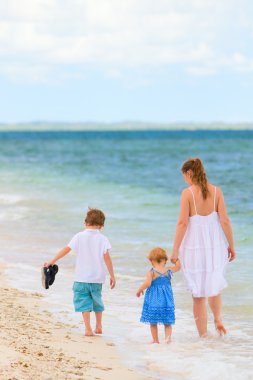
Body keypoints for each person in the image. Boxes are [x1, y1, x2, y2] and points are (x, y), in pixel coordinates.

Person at [171, 158, 236, 337]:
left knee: (198, 293)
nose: (184, 179)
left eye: (184, 175)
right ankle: (217, 319)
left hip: (194, 246)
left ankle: (203, 337)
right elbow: (225, 220)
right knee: (214, 285)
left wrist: (175, 249)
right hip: (216, 245)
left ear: (189, 173)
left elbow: (182, 223)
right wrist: (231, 245)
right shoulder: (217, 192)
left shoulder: (188, 194)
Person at [44, 208, 116, 336]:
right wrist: (112, 275)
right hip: (97, 279)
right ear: (101, 226)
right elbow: (107, 258)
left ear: (85, 222)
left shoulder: (79, 236)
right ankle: (99, 326)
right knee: (97, 301)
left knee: (84, 303)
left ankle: (88, 329)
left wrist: (52, 261)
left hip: (81, 278)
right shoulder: (103, 239)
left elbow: (66, 250)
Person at [136, 247, 181, 344]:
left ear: (151, 261)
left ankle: (155, 340)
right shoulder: (168, 270)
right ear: (165, 260)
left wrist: (140, 289)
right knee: (167, 322)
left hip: (154, 300)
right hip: (166, 301)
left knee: (153, 322)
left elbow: (147, 283)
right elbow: (178, 267)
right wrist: (176, 260)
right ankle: (168, 339)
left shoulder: (151, 272)